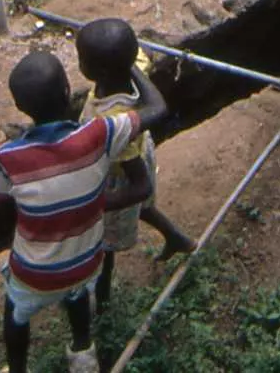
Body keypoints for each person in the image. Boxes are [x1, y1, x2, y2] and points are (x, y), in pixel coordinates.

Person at [0, 48, 168, 373]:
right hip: (86, 262)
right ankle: (83, 353)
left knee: (16, 313)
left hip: (34, 273)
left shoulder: (8, 157)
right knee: (76, 295)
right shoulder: (99, 134)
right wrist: (129, 65)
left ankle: (17, 369)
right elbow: (158, 107)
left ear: (19, 107)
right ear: (68, 91)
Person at [76, 17, 193, 306]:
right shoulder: (132, 69)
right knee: (145, 208)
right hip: (138, 152)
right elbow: (139, 56)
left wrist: (99, 203)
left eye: (82, 59)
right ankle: (177, 238)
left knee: (103, 247)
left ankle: (101, 299)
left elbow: (138, 187)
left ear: (98, 70)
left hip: (118, 176)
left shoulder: (114, 123)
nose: (79, 63)